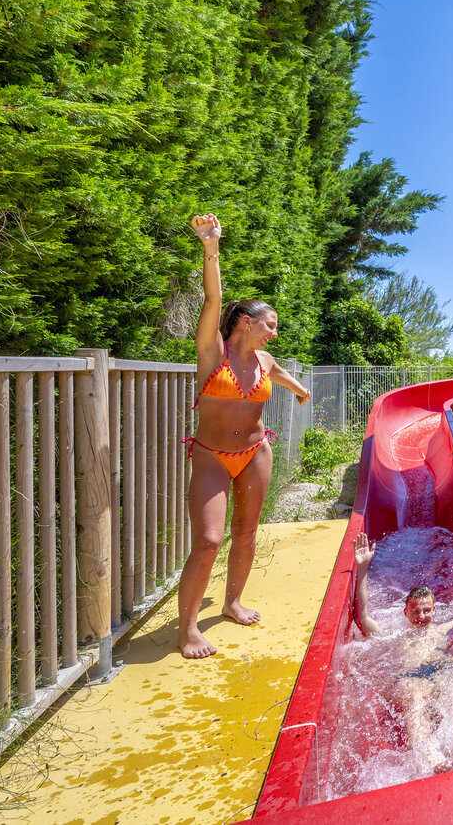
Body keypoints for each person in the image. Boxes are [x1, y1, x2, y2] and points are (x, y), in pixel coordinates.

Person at [177, 213, 312, 659]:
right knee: (208, 540)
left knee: (247, 531)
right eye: (269, 324)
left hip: (255, 451)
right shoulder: (212, 351)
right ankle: (188, 629)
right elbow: (212, 299)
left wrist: (300, 390)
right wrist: (210, 245)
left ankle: (232, 602)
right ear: (244, 323)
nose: (274, 332)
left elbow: (280, 372)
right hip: (212, 455)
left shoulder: (264, 360)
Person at [352, 529, 453, 771]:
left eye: (426, 610)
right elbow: (363, 619)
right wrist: (362, 568)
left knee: (452, 684)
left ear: (434, 610)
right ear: (405, 612)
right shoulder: (396, 633)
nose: (421, 616)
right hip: (411, 679)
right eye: (416, 611)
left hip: (440, 674)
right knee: (415, 695)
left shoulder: (442, 629)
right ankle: (432, 757)